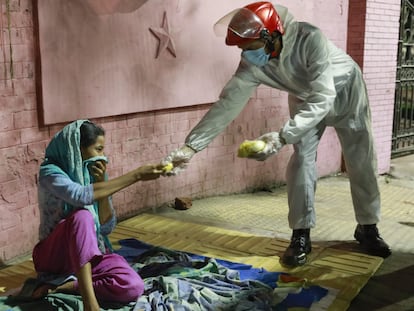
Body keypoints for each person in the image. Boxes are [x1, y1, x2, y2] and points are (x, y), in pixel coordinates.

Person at [163, 1, 391, 267]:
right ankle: (301, 234)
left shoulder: (309, 38)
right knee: (303, 162)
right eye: (242, 49)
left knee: (360, 160)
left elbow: (324, 95)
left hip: (345, 91)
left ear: (270, 36)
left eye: (248, 47)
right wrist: (190, 148)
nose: (245, 54)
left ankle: (368, 227)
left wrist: (282, 135)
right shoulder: (253, 63)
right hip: (305, 97)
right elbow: (227, 103)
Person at [28, 120, 163, 311]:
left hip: (86, 256)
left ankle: (68, 285)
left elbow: (107, 227)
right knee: (82, 216)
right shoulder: (50, 171)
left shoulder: (92, 175)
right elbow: (80, 196)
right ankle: (90, 305)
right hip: (55, 256)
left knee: (133, 285)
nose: (103, 156)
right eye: (98, 149)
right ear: (77, 149)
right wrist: (137, 175)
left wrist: (102, 182)